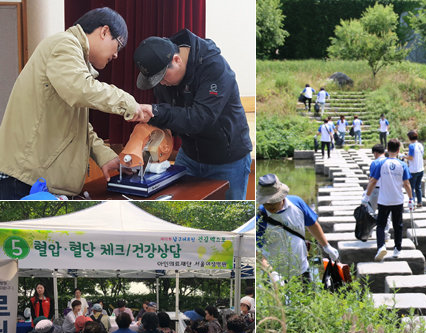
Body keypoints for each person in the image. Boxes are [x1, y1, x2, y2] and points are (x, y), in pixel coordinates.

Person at [0, 7, 153, 199]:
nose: (116, 55)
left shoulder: (75, 59)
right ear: (104, 31)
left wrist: (105, 157)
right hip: (24, 181)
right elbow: (80, 88)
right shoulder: (64, 44)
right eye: (119, 45)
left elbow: (78, 128)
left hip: (33, 179)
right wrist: (131, 104)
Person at [132, 31, 253, 200]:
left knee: (228, 219)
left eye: (162, 77)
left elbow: (200, 118)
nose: (160, 83)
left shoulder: (214, 67)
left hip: (227, 160)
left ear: (176, 60)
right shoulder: (164, 69)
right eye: (155, 80)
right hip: (189, 156)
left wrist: (157, 111)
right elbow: (169, 116)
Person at [256, 174, 339, 282]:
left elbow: (312, 224)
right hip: (275, 275)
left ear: (282, 196)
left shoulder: (297, 203)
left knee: (307, 297)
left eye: (273, 202)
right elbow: (258, 251)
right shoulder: (260, 217)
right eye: (266, 203)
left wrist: (326, 246)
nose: (269, 206)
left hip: (302, 269)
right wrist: (271, 273)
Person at [363, 139, 413, 261]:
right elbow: (406, 184)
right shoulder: (403, 164)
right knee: (398, 225)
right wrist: (411, 199)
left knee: (381, 224)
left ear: (387, 149)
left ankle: (381, 247)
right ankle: (397, 249)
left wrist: (366, 197)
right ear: (398, 150)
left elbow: (373, 181)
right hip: (397, 200)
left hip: (384, 200)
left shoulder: (380, 163)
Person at [404, 130, 425, 208]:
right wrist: (408, 154)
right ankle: (420, 202)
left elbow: (411, 158)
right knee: (418, 186)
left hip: (413, 170)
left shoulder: (411, 146)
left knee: (411, 187)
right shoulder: (420, 145)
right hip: (421, 169)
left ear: (409, 138)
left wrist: (403, 156)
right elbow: (418, 155)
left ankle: (412, 202)